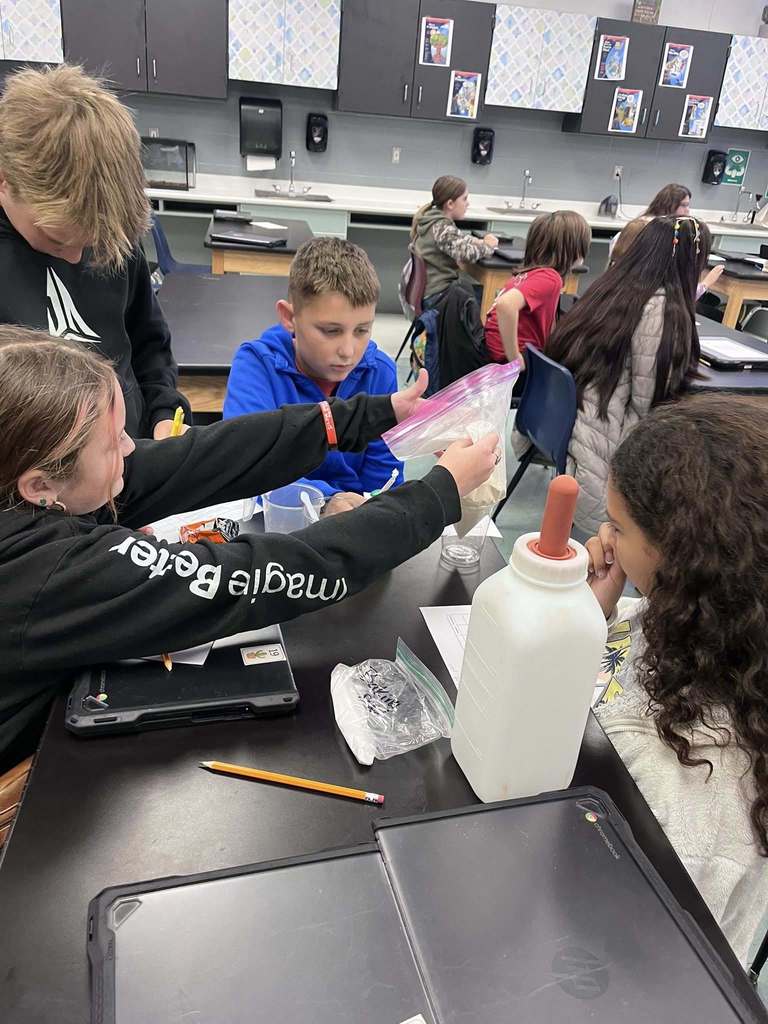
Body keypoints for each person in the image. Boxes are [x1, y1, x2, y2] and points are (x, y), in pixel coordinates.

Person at [0, 325, 499, 784]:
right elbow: (259, 574)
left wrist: (370, 415)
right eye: (112, 445)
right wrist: (438, 494)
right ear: (41, 485)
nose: (132, 448)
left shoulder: (33, 490)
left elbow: (205, 458)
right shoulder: (45, 573)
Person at [586, 394, 768, 966]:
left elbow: (630, 957)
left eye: (617, 525)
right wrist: (594, 619)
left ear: (683, 558)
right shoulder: (695, 627)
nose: (604, 537)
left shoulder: (696, 812)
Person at [0, 64, 189, 440]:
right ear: (5, 183)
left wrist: (163, 412)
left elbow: (149, 342)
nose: (76, 259)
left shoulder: (107, 228)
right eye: (57, 241)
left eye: (90, 245)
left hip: (130, 455)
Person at [545, 215, 710, 535]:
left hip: (573, 424)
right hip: (604, 441)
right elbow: (652, 402)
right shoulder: (660, 307)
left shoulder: (610, 287)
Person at [223, 238, 403, 517]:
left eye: (361, 331)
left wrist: (374, 509)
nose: (348, 351)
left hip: (357, 523)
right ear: (288, 317)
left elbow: (385, 477)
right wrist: (325, 501)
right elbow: (245, 466)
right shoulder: (257, 367)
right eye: (331, 331)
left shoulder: (380, 373)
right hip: (278, 522)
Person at [483, 210, 591, 363]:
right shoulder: (550, 278)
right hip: (508, 361)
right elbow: (505, 305)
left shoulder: (530, 273)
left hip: (491, 350)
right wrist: (514, 358)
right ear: (572, 248)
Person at [411, 176, 498, 301]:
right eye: (464, 199)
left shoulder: (434, 220)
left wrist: (477, 241)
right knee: (487, 298)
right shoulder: (442, 228)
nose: (468, 204)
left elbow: (458, 237)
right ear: (450, 204)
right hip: (438, 295)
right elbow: (466, 254)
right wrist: (488, 246)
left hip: (431, 290)